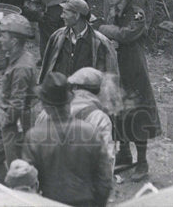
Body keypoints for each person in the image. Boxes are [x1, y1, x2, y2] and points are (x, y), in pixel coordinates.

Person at [98, 0, 160, 183]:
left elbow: (126, 35)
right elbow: (117, 35)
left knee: (138, 112)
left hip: (134, 70)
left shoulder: (137, 14)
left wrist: (106, 30)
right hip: (116, 67)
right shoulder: (114, 11)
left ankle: (142, 162)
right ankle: (124, 153)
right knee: (116, 109)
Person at [23, 72, 112, 207]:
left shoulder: (34, 137)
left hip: (49, 202)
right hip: (85, 202)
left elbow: (26, 182)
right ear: (69, 102)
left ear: (45, 106)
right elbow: (105, 179)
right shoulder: (90, 132)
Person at [0, 13, 38, 181]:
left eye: (3, 35)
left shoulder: (22, 67)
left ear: (14, 41)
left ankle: (17, 196)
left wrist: (6, 124)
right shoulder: (19, 57)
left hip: (16, 124)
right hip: (12, 120)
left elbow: (17, 102)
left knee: (16, 169)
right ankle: (8, 189)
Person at [39, 0, 118, 84]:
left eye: (65, 13)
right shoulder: (57, 36)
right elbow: (47, 67)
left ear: (76, 15)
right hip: (62, 93)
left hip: (85, 94)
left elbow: (109, 75)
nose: (61, 16)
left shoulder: (100, 42)